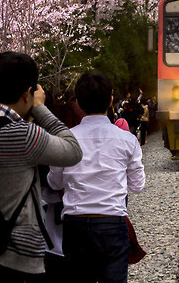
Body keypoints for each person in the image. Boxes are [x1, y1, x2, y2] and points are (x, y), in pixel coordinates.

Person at [0, 51, 82, 283]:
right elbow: (73, 150)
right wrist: (40, 108)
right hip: (18, 259)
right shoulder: (23, 135)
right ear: (27, 93)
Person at [48, 71, 145, 283]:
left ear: (79, 103)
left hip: (75, 224)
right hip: (112, 222)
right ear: (111, 100)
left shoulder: (66, 139)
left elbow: (54, 182)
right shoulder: (127, 140)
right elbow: (137, 186)